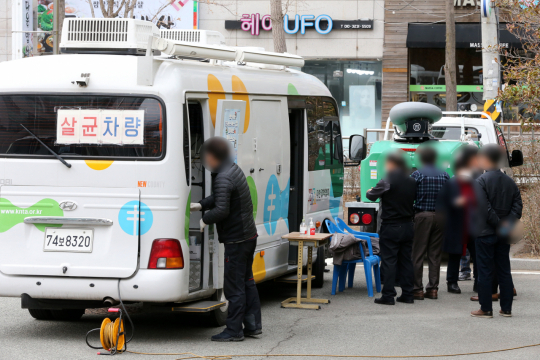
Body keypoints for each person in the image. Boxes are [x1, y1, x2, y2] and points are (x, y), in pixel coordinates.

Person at [190, 137, 261, 341]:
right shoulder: (232, 169)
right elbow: (222, 197)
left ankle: (234, 331)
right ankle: (252, 325)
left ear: (213, 157)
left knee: (234, 286)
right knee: (247, 282)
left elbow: (222, 209)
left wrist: (204, 220)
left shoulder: (222, 176)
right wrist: (202, 205)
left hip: (236, 240)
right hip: (248, 236)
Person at [471, 144, 522, 318]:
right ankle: (506, 308)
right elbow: (518, 207)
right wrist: (505, 225)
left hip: (485, 232)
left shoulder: (480, 181)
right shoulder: (510, 181)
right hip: (504, 233)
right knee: (504, 269)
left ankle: (485, 308)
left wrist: (498, 223)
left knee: (485, 270)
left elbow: (484, 209)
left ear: (485, 159)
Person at [367, 151, 416, 305]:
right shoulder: (412, 181)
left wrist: (370, 190)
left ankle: (388, 295)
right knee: (406, 261)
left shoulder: (387, 180)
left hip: (391, 226)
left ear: (392, 163)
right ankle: (408, 294)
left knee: (389, 261)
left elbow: (371, 196)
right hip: (408, 225)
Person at [437, 146, 480, 295]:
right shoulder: (452, 182)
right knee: (455, 254)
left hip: (474, 223)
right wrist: (456, 203)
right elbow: (443, 203)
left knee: (477, 254)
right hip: (457, 223)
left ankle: (479, 282)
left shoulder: (478, 180)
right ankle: (452, 282)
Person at [411, 146, 449, 300]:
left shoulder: (417, 174)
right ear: (435, 158)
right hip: (440, 217)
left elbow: (410, 194)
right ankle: (432, 289)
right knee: (435, 255)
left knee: (417, 254)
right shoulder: (445, 175)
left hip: (422, 216)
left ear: (421, 159)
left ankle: (417, 289)